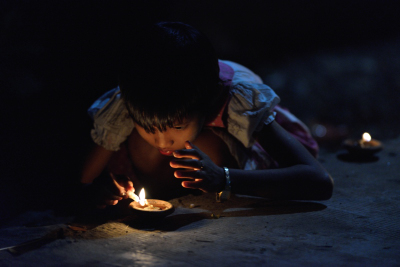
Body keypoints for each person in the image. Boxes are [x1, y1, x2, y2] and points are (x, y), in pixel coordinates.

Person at [80, 22, 333, 209]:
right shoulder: (138, 96)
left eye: (177, 126)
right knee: (141, 144)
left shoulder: (238, 101)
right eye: (150, 128)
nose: (162, 141)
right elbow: (84, 181)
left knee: (204, 146)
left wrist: (222, 178)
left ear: (207, 102)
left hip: (240, 155)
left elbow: (319, 182)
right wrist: (101, 189)